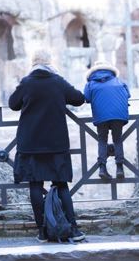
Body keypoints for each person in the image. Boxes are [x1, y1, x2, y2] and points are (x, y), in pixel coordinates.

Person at [9, 48, 86, 243]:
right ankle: (73, 230)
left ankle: (42, 231)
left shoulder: (27, 83)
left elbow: (12, 104)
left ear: (33, 63)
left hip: (30, 143)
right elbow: (78, 98)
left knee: (35, 185)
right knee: (61, 185)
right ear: (50, 62)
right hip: (56, 144)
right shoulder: (57, 82)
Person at [83, 61, 131, 180]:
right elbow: (128, 94)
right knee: (118, 140)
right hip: (118, 115)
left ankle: (102, 169)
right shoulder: (118, 81)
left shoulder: (90, 84)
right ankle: (120, 168)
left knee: (102, 141)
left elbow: (87, 98)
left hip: (101, 116)